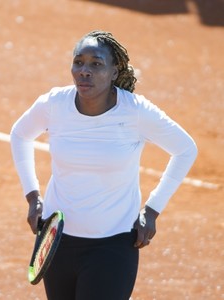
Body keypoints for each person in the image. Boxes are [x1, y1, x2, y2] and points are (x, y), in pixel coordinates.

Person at [10, 30, 198, 300]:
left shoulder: (135, 111)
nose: (84, 71)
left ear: (113, 72)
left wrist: (153, 210)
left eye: (96, 64)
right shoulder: (55, 104)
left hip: (113, 245)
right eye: (79, 62)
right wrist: (32, 196)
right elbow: (19, 134)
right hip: (57, 241)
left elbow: (185, 149)